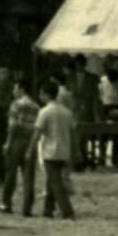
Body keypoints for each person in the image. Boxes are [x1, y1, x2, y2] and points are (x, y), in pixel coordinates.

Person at [34, 78, 76, 219]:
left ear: (46, 94)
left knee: (55, 181)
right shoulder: (67, 112)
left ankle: (67, 210)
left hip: (50, 151)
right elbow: (73, 133)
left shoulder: (45, 112)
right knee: (52, 180)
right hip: (64, 150)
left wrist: (30, 148)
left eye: (41, 93)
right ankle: (48, 209)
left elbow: (38, 132)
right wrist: (76, 150)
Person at [0, 74, 40, 216]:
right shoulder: (35, 106)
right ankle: (27, 207)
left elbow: (13, 125)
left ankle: (6, 203)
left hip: (17, 139)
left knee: (11, 173)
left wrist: (8, 142)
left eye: (15, 88)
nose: (13, 91)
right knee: (28, 176)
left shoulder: (16, 104)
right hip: (30, 140)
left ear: (21, 89)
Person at [98, 64, 118, 167]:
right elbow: (99, 96)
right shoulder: (102, 81)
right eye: (110, 77)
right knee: (104, 135)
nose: (112, 80)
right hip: (105, 108)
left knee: (117, 136)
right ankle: (101, 157)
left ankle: (115, 159)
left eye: (114, 78)